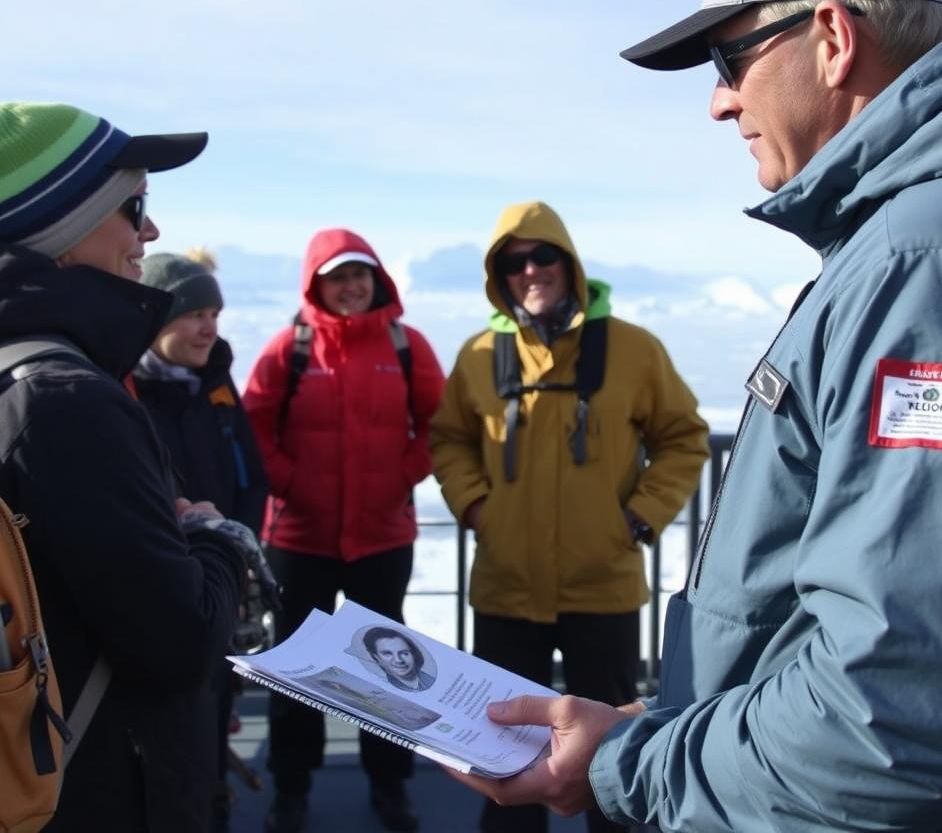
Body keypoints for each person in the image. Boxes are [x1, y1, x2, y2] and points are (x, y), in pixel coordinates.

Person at [449, 0, 942, 831]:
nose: (720, 102)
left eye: (730, 57)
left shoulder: (928, 265)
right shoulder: (934, 242)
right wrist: (677, 723)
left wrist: (634, 763)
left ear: (833, 39)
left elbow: (895, 723)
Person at [0, 102, 249, 831]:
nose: (150, 231)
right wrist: (214, 539)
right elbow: (177, 644)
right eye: (132, 206)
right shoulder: (67, 400)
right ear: (62, 230)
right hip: (104, 789)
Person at [431, 200, 710, 833]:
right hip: (506, 585)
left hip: (601, 585)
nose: (530, 271)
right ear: (497, 276)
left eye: (543, 256)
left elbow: (684, 437)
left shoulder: (634, 351)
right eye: (513, 261)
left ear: (570, 264)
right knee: (501, 758)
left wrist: (638, 519)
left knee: (613, 764)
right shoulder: (479, 357)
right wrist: (476, 506)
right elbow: (448, 439)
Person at [244, 228, 445, 833]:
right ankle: (292, 788)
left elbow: (438, 424)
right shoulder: (290, 348)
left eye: (359, 275)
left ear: (377, 280)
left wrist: (399, 478)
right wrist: (289, 482)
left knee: (385, 669)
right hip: (299, 540)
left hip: (382, 537)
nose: (350, 287)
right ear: (316, 286)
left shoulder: (406, 346)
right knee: (295, 668)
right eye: (337, 277)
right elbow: (254, 423)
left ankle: (390, 784)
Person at [135, 249, 269, 831]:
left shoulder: (216, 385)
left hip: (220, 586)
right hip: (163, 599)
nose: (209, 327)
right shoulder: (126, 393)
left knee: (213, 719)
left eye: (214, 312)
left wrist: (239, 562)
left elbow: (250, 477)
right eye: (193, 313)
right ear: (157, 318)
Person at [362, 627, 435, 691]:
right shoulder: (386, 687)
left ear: (413, 654)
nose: (398, 660)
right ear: (376, 657)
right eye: (387, 654)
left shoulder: (429, 679)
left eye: (404, 653)